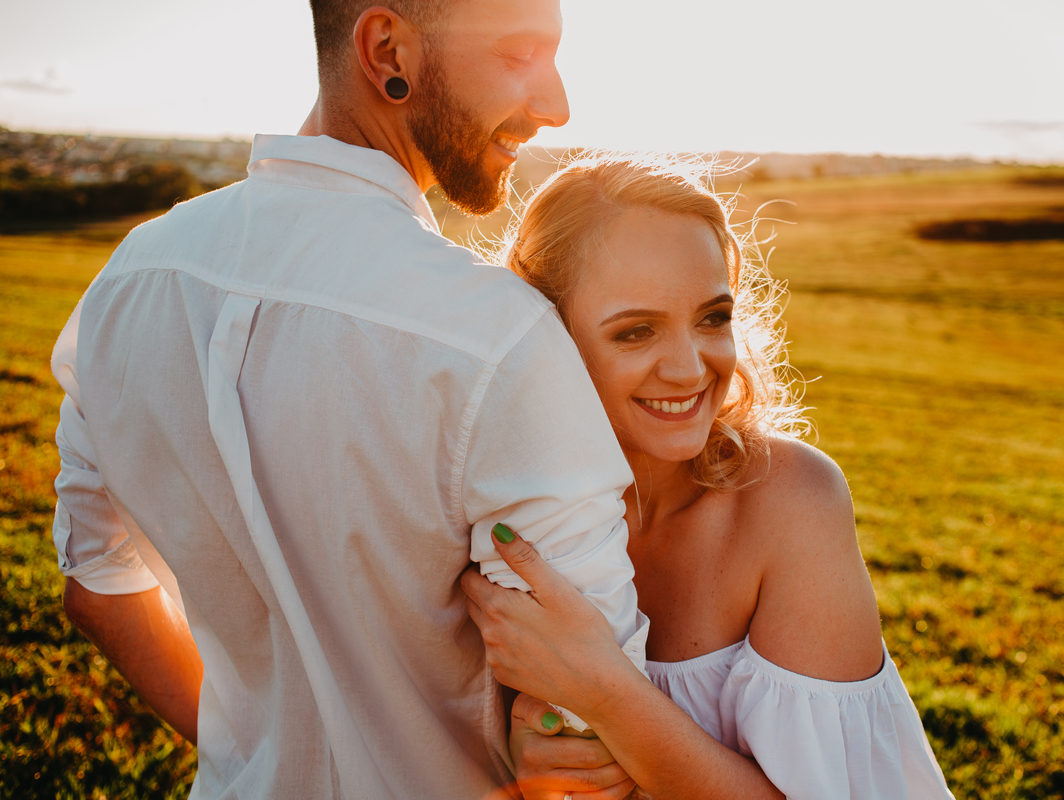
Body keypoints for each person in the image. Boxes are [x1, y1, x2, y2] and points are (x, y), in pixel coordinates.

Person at [50, 1, 647, 797]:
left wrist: (256, 757)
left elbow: (98, 589)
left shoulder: (127, 281)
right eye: (519, 56)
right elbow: (593, 733)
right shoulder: (496, 335)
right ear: (386, 48)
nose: (556, 104)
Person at [461, 157, 956, 800]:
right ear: (548, 340)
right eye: (636, 332)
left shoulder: (791, 500)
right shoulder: (507, 510)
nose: (691, 368)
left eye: (713, 318)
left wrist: (604, 692)